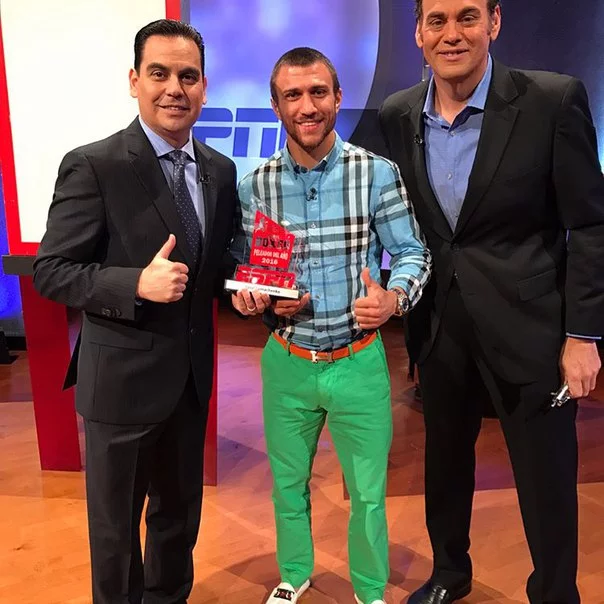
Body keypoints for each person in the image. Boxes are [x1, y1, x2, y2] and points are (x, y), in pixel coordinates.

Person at [379, 1, 604, 603]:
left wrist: (583, 335)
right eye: (437, 20)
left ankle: (555, 591)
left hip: (533, 331)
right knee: (444, 467)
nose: (451, 34)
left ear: (494, 23)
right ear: (418, 32)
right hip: (439, 328)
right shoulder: (398, 112)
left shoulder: (552, 100)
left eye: (467, 17)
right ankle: (449, 573)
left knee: (546, 479)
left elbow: (589, 225)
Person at [33, 19, 237, 604]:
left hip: (190, 383)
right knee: (116, 534)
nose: (174, 88)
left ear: (204, 87)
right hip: (121, 388)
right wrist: (134, 284)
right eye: (159, 73)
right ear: (133, 81)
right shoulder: (94, 164)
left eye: (188, 76)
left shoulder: (220, 170)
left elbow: (212, 265)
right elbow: (52, 270)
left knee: (178, 519)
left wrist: (245, 288)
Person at [230, 47, 432, 604]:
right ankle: (294, 575)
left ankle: (369, 590)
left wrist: (393, 298)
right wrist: (259, 300)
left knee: (367, 492)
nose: (307, 106)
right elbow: (251, 269)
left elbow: (412, 252)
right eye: (292, 95)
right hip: (288, 362)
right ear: (276, 106)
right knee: (287, 486)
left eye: (318, 92)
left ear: (338, 98)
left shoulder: (376, 173)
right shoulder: (255, 185)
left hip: (358, 361)